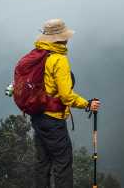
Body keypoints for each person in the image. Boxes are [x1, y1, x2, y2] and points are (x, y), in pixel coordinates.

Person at [31, 18, 101, 188]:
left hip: (37, 117)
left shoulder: (39, 55)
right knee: (63, 164)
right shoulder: (58, 59)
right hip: (53, 120)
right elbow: (66, 96)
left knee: (43, 163)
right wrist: (87, 104)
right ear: (61, 38)